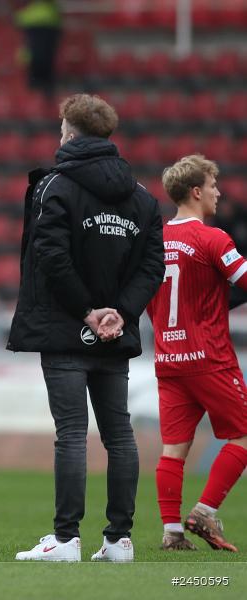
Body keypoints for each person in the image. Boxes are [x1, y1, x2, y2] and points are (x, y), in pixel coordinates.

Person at [7, 94, 164, 562]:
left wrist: (86, 312)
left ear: (70, 132)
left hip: (63, 328)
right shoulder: (142, 198)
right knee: (119, 434)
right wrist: (120, 312)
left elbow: (49, 255)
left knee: (72, 434)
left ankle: (66, 539)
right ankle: (119, 541)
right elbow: (152, 265)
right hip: (116, 334)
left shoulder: (54, 185)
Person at [148, 155, 247, 553]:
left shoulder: (154, 242)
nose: (217, 192)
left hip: (169, 358)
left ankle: (172, 533)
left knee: (174, 449)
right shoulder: (212, 238)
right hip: (210, 357)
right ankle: (205, 510)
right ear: (195, 191)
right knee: (242, 436)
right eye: (212, 185)